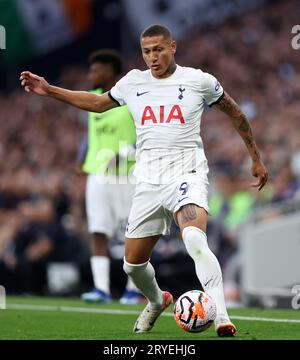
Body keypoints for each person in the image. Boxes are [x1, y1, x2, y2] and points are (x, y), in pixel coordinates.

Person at [20, 24, 268, 337]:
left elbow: (235, 113)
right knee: (132, 266)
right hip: (148, 182)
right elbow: (97, 104)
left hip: (186, 173)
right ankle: (156, 300)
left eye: (158, 49)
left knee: (194, 239)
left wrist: (255, 158)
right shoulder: (133, 83)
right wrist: (50, 89)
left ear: (173, 47)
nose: (153, 57)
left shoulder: (198, 80)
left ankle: (221, 317)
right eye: (147, 51)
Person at [74, 50, 142, 304]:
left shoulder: (130, 98)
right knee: (98, 230)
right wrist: (81, 159)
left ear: (111, 72)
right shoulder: (91, 99)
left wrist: (125, 152)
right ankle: (100, 289)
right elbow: (91, 134)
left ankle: (133, 289)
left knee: (134, 232)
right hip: (98, 174)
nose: (90, 75)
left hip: (127, 175)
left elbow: (147, 132)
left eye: (95, 70)